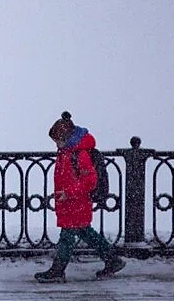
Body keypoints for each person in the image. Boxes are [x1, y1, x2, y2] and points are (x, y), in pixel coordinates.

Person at [35, 111, 125, 282]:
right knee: (86, 233)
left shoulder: (79, 154)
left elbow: (90, 181)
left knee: (67, 238)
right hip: (71, 202)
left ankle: (57, 271)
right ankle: (113, 260)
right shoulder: (68, 152)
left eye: (58, 140)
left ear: (66, 137)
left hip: (76, 202)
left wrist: (68, 193)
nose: (56, 144)